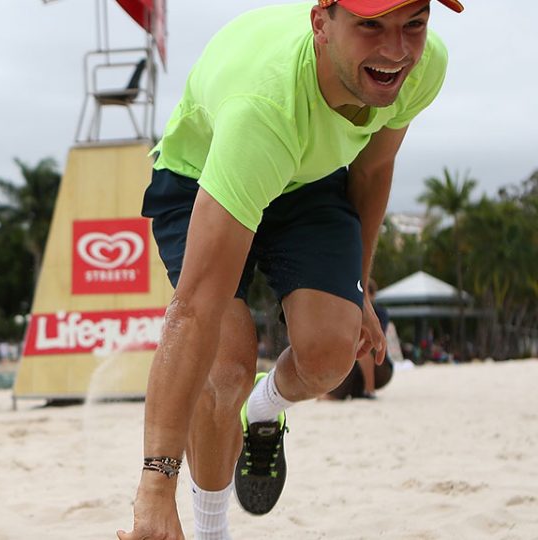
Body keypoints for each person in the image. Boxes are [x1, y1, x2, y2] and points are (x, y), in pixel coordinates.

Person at [119, 1, 463, 538]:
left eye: (413, 22)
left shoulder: (423, 65)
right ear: (321, 23)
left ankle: (263, 408)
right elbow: (192, 312)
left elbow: (373, 168)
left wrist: (361, 291)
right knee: (225, 366)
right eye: (371, 24)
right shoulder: (263, 106)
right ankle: (212, 529)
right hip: (204, 173)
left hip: (309, 178)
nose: (396, 49)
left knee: (331, 359)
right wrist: (155, 488)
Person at [325, 278, 394, 400]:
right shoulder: (350, 311)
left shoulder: (379, 313)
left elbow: (376, 338)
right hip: (358, 366)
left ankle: (369, 391)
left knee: (364, 346)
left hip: (378, 367)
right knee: (354, 351)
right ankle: (343, 392)